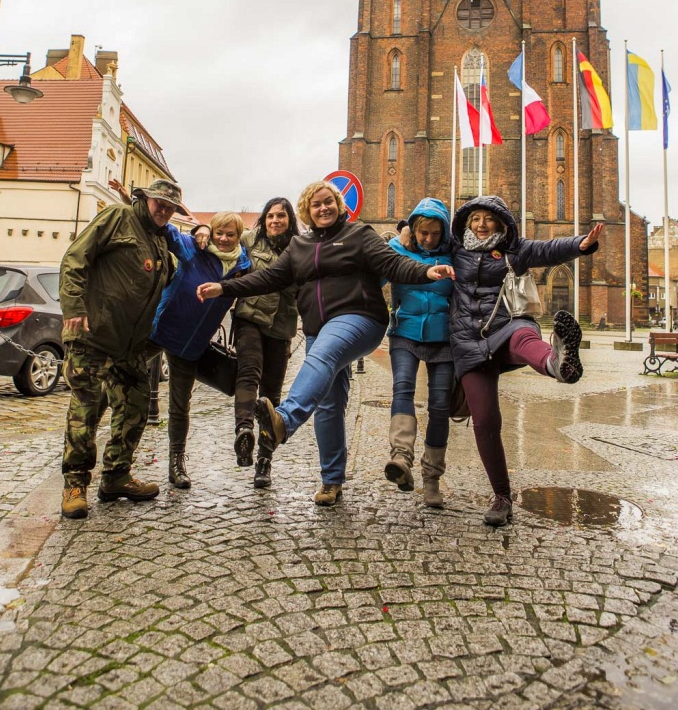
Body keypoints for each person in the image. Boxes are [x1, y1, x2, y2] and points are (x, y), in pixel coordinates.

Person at [197, 180, 452, 506]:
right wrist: (224, 288)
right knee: (329, 404)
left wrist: (426, 272)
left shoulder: (359, 235)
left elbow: (393, 263)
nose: (323, 208)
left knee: (323, 353)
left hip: (360, 318)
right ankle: (332, 480)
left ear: (339, 205)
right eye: (316, 204)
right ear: (307, 210)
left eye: (329, 202)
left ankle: (284, 420)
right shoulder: (299, 247)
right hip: (319, 327)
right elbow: (268, 277)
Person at [448, 195, 603, 526]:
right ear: (466, 223)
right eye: (475, 218)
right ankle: (502, 497)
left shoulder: (513, 251)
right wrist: (405, 231)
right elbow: (424, 239)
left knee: (525, 337)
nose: (481, 224)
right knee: (486, 422)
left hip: (505, 326)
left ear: (502, 223)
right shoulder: (455, 249)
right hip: (468, 343)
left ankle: (557, 364)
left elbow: (549, 250)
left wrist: (582, 244)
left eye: (488, 218)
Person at [59, 178, 187, 519]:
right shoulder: (117, 217)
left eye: (170, 206)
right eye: (159, 202)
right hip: (94, 335)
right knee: (85, 411)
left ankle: (116, 476)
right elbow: (75, 259)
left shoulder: (160, 241)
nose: (164, 209)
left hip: (130, 346)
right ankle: (75, 483)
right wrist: (73, 307)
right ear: (144, 199)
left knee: (134, 407)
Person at [150, 212, 251, 488]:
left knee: (180, 406)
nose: (224, 238)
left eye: (231, 234)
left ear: (238, 236)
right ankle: (119, 465)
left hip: (191, 345)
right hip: (161, 331)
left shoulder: (243, 266)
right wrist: (200, 228)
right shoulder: (195, 247)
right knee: (133, 393)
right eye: (220, 232)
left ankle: (176, 461)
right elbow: (168, 230)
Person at [384, 198, 453, 508]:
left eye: (434, 233)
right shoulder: (396, 249)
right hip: (405, 332)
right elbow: (373, 275)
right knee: (402, 387)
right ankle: (401, 457)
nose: (428, 238)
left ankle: (431, 477)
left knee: (440, 406)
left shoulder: (455, 254)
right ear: (413, 228)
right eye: (423, 232)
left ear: (444, 231)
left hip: (444, 339)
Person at [233, 198, 300, 487]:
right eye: (270, 215)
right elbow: (221, 244)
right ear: (264, 218)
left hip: (282, 325)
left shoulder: (300, 247)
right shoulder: (250, 239)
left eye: (281, 216)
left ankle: (264, 461)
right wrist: (200, 231)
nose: (275, 220)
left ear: (289, 219)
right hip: (250, 316)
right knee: (249, 371)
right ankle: (243, 431)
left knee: (271, 395)